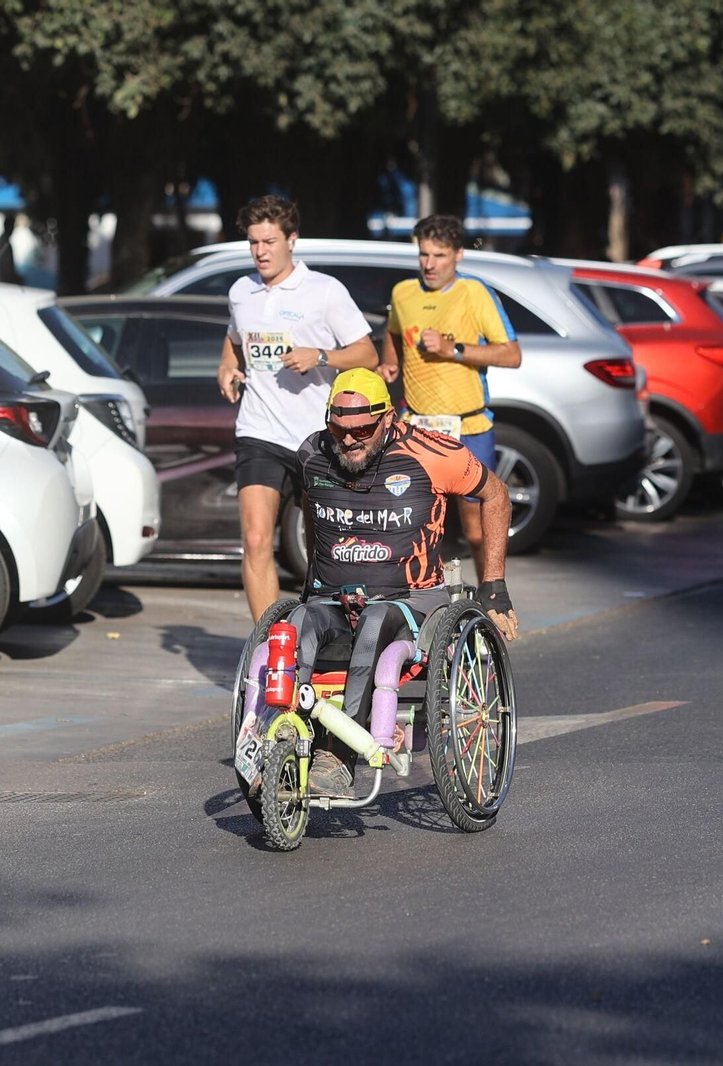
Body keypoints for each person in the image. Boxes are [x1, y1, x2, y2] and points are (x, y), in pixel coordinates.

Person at [288, 368, 520, 796]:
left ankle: (338, 758)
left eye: (362, 429)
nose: (350, 440)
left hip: (411, 601)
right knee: (297, 625)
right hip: (334, 598)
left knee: (377, 622)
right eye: (339, 429)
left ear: (389, 418)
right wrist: (313, 578)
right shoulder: (311, 453)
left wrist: (494, 587)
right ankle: (284, 742)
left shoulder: (434, 453)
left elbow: (496, 494)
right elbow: (311, 506)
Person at [216, 195, 378, 621]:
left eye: (269, 241)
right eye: (253, 242)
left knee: (322, 545)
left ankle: (324, 631)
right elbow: (235, 339)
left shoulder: (324, 291)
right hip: (259, 431)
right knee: (254, 539)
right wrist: (227, 367)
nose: (260, 251)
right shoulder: (241, 291)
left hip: (317, 436)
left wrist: (320, 357)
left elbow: (367, 354)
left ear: (292, 239)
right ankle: (271, 649)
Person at [379, 215, 521, 581]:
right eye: (424, 254)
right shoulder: (402, 292)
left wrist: (453, 349)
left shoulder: (474, 293)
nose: (429, 264)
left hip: (468, 424)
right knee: (411, 527)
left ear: (458, 254)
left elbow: (511, 354)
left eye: (439, 255)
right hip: (417, 427)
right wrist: (390, 364)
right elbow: (393, 333)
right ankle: (420, 604)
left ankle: (490, 596)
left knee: (476, 529)